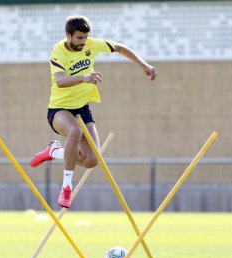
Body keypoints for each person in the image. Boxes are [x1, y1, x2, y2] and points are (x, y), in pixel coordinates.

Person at [30, 15, 157, 208]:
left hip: (83, 109)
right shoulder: (58, 50)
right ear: (68, 35)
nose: (83, 42)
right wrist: (84, 77)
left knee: (91, 160)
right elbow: (60, 81)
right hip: (59, 109)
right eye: (79, 38)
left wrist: (144, 65)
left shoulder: (91, 44)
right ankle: (66, 187)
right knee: (75, 131)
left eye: (85, 38)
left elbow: (120, 48)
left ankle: (55, 152)